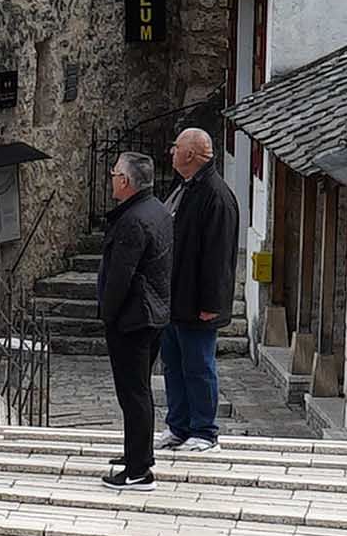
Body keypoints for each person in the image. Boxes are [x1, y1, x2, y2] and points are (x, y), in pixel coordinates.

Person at [158, 126, 241, 454]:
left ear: (190, 154)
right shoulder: (185, 188)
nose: (171, 152)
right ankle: (178, 426)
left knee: (198, 366)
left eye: (176, 146)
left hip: (197, 302)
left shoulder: (215, 196)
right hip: (174, 299)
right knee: (173, 365)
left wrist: (211, 303)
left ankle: (205, 431)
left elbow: (219, 256)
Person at [95, 149, 173, 489]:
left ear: (125, 181)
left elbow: (120, 276)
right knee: (137, 390)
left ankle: (139, 470)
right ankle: (136, 453)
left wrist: (108, 314)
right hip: (153, 313)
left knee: (134, 392)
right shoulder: (157, 209)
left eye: (114, 174)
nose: (112, 178)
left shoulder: (132, 220)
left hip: (133, 317)